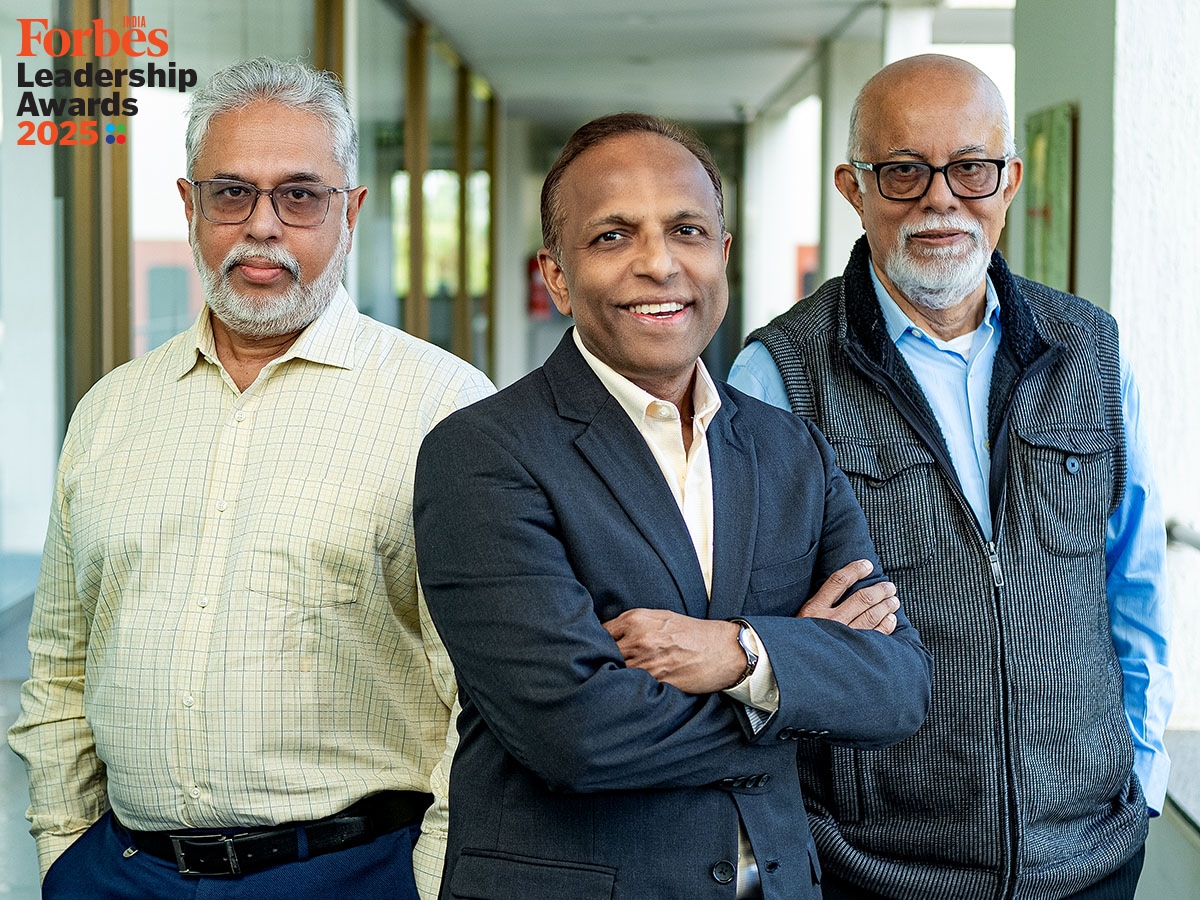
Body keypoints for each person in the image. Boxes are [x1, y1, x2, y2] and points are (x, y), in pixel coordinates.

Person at [413, 112, 933, 900]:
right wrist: (797, 680)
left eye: (686, 230)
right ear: (555, 276)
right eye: (612, 237)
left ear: (722, 256)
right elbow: (576, 734)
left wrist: (740, 655)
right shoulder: (482, 454)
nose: (658, 264)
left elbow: (898, 686)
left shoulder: (793, 451)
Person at [7, 57, 493, 899]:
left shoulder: (444, 407)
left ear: (351, 212)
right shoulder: (110, 411)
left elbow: (484, 693)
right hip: (120, 874)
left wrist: (429, 879)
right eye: (231, 193)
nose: (263, 225)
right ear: (191, 208)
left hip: (356, 873)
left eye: (301, 195)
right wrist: (62, 850)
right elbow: (60, 664)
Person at [729, 54, 1172, 900]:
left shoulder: (1092, 352)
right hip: (873, 868)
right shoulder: (779, 373)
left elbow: (1135, 586)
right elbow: (744, 629)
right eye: (903, 171)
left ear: (1007, 181)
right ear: (852, 188)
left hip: (1093, 860)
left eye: (970, 167)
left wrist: (1142, 777)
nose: (941, 199)